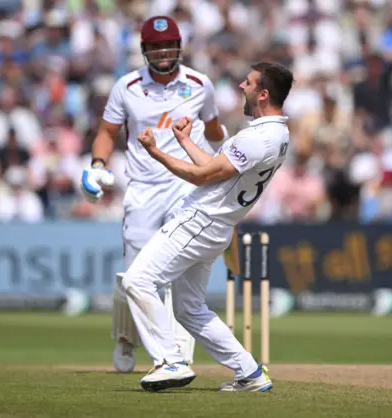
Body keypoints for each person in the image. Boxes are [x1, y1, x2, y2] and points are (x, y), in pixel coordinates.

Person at [124, 61, 294, 392]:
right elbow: (215, 168)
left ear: (262, 94)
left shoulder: (258, 138)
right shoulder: (278, 133)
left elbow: (200, 176)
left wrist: (155, 151)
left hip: (200, 220)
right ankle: (250, 373)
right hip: (217, 225)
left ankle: (170, 361)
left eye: (247, 83)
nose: (241, 87)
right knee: (188, 309)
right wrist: (186, 141)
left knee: (137, 280)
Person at [79, 16, 228, 373]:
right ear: (144, 49)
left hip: (186, 187)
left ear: (179, 46)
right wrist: (98, 163)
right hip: (143, 190)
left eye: (169, 45)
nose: (163, 52)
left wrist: (226, 171)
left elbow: (214, 130)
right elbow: (106, 131)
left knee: (182, 269)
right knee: (135, 275)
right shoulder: (126, 86)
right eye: (156, 46)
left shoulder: (199, 84)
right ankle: (127, 338)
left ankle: (174, 351)